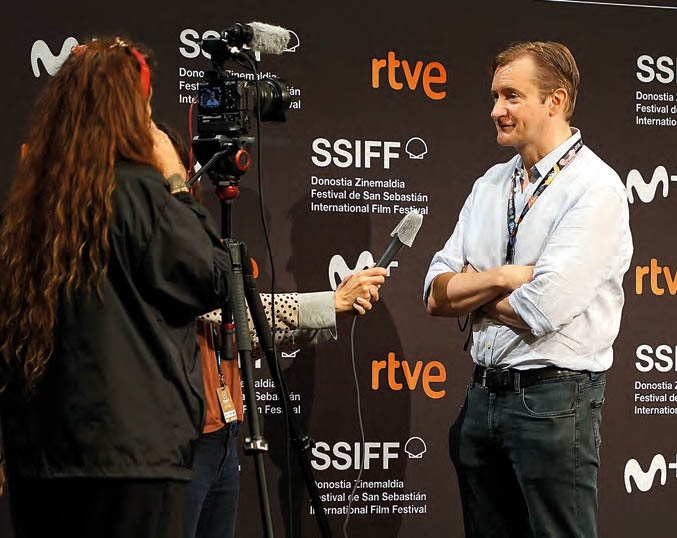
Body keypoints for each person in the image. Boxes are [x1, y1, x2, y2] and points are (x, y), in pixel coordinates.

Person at [0, 37, 230, 538]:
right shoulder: (141, 193)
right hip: (134, 459)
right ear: (128, 114)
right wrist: (176, 182)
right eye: (145, 107)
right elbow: (214, 277)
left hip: (40, 460)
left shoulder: (29, 206)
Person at [423, 41, 633, 537]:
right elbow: (434, 293)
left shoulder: (594, 188)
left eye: (511, 96)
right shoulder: (490, 184)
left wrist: (473, 290)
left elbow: (543, 307)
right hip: (481, 398)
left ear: (555, 101)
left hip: (554, 402)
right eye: (495, 97)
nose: (496, 110)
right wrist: (504, 277)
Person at [154, 125, 389, 538]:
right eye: (174, 176)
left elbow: (245, 329)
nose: (187, 184)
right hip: (177, 441)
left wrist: (333, 311)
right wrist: (330, 304)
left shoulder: (200, 246)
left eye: (186, 174)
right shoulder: (150, 245)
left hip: (222, 435)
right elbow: (231, 309)